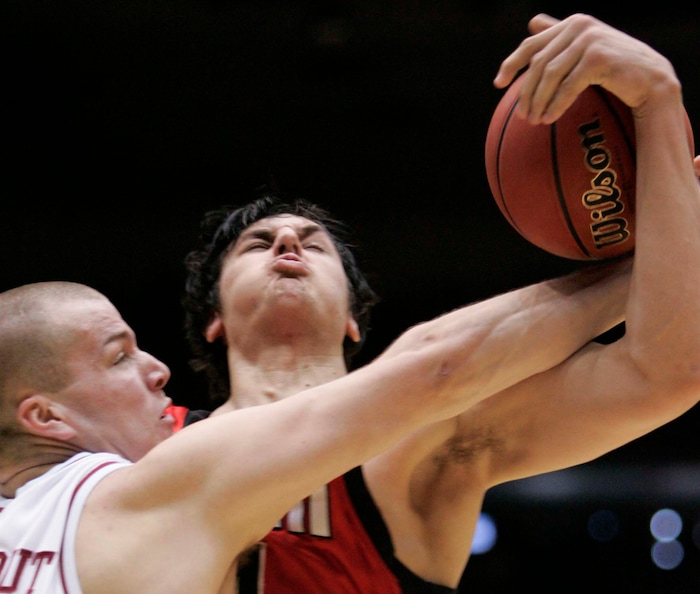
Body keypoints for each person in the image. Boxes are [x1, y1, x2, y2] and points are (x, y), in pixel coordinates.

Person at [171, 13, 700, 594]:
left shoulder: (425, 449)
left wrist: (657, 98)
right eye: (258, 244)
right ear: (213, 316)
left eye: (315, 245)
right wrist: (641, 263)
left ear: (352, 317)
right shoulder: (144, 443)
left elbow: (667, 373)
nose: (289, 243)